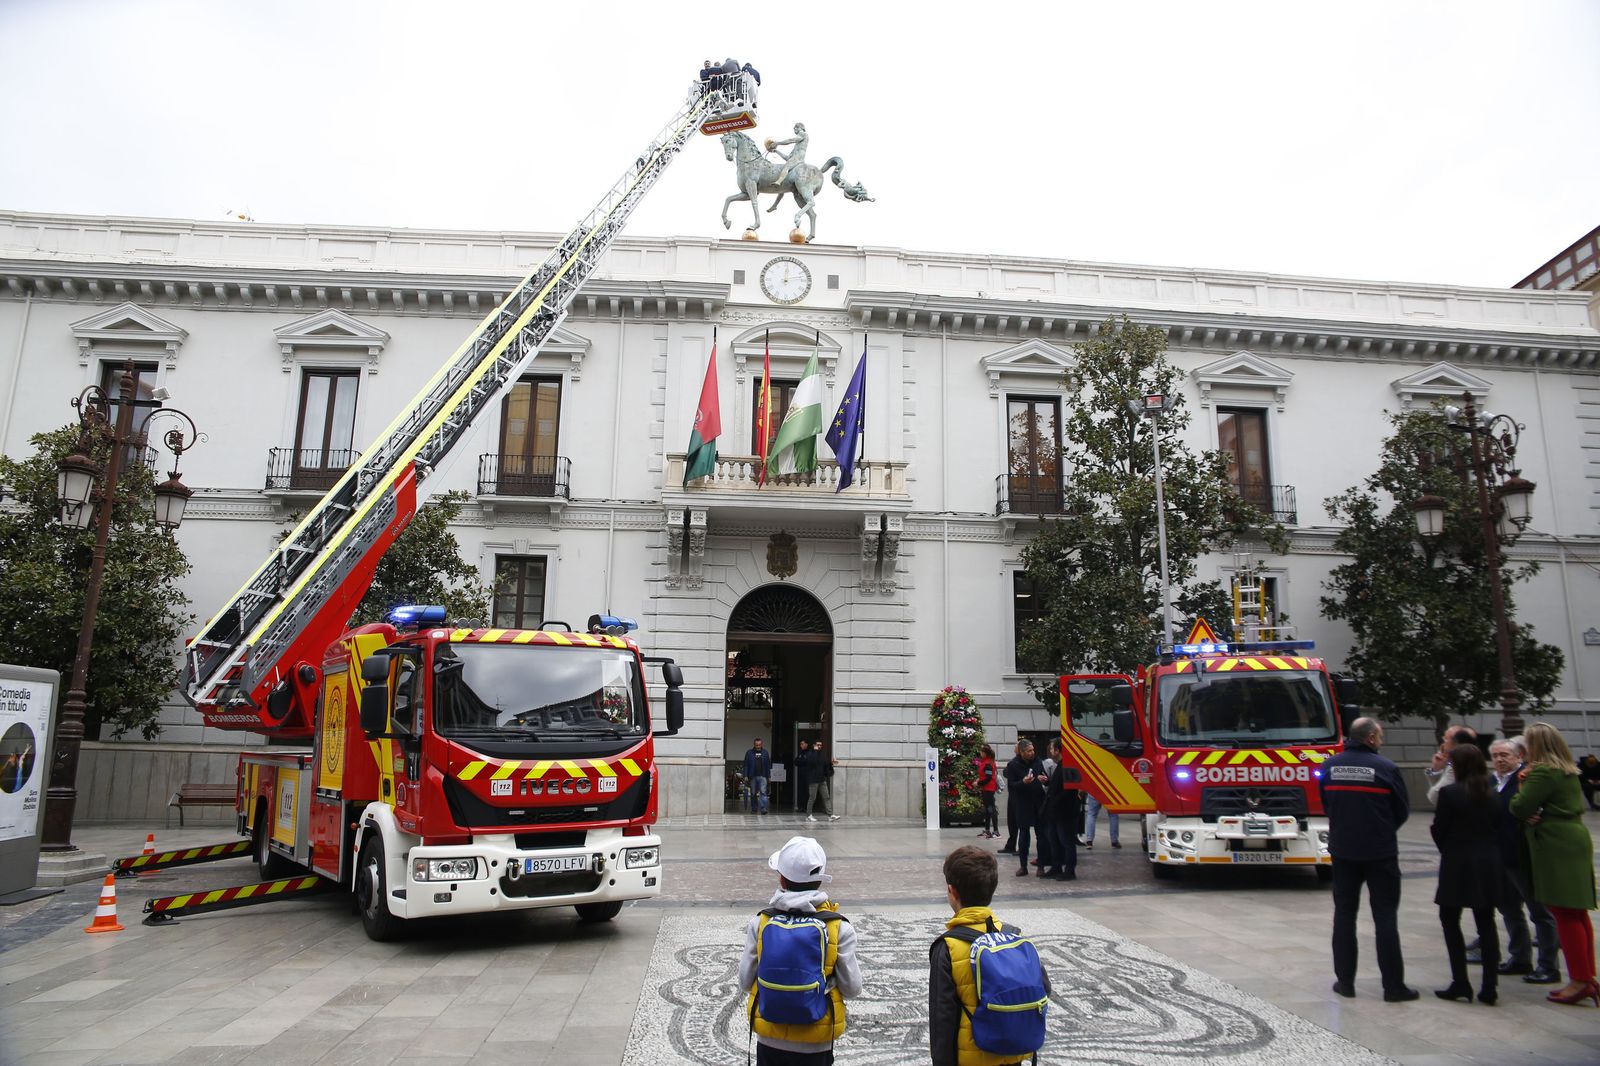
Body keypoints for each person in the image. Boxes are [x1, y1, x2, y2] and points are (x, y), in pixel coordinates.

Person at [738, 836, 863, 1064]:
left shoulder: (761, 923)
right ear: (820, 880)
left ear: (782, 879)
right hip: (817, 1039)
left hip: (770, 1036)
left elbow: (745, 981)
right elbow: (852, 988)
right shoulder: (839, 928)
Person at [1319, 717, 1418, 1002]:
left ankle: (1345, 982)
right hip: (1380, 852)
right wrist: (1380, 829)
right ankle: (1393, 986)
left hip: (1343, 851)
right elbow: (1401, 810)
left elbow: (1327, 803)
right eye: (1381, 736)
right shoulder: (1386, 768)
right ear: (1372, 738)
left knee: (1344, 914)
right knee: (1385, 916)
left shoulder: (1330, 766)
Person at [929, 846, 1052, 1066]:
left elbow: (943, 1019)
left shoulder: (948, 947)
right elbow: (1044, 988)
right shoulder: (1014, 936)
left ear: (952, 891)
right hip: (1014, 1054)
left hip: (971, 1058)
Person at [1510, 722, 1599, 1007]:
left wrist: (1522, 786)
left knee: (1563, 912)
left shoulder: (1543, 771)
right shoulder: (1568, 770)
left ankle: (1579, 982)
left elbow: (1520, 807)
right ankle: (1586, 976)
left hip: (1555, 842)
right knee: (1577, 911)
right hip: (1573, 837)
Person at [1431, 743, 1502, 1004]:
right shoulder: (1493, 794)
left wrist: (1449, 848)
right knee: (1486, 921)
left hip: (1457, 862)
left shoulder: (1451, 793)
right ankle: (1490, 985)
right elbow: (1499, 828)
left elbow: (1439, 829)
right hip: (1488, 863)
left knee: (1450, 919)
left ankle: (1460, 981)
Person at [1490, 738, 1562, 984]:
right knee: (1509, 909)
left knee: (1539, 912)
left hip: (1525, 856)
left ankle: (1548, 965)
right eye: (1496, 755)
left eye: (1505, 755)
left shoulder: (1528, 779)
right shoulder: (1492, 782)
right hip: (1501, 857)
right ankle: (1520, 957)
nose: (1500, 759)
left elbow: (1540, 806)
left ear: (1518, 757)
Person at [1040, 738, 1079, 881]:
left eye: (1052, 749)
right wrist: (1049, 782)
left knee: (1066, 842)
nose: (1050, 751)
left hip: (1064, 812)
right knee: (1054, 840)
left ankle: (1069, 870)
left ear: (1057, 750)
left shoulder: (1067, 766)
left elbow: (1069, 791)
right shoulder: (1060, 765)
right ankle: (1056, 867)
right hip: (1055, 812)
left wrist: (1054, 802)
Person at [1009, 741, 1047, 878]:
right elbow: (1012, 786)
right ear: (1022, 752)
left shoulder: (1038, 762)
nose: (1032, 753)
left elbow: (1044, 777)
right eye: (1029, 751)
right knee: (1024, 834)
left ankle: (1041, 865)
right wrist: (1022, 782)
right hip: (1023, 804)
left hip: (1038, 802)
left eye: (1033, 750)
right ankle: (1023, 866)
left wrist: (1045, 780)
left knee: (1041, 835)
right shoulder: (1013, 765)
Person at [1426, 725, 1479, 804]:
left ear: (1455, 742)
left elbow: (1435, 796)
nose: (1443, 742)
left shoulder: (1457, 765)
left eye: (1446, 738)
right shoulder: (1450, 762)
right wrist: (1436, 769)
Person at [999, 741, 1026, 854]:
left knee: (1020, 823)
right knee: (1012, 821)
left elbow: (1008, 773)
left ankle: (1021, 846)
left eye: (1016, 746)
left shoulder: (1021, 762)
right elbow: (1006, 772)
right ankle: (1011, 844)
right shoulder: (1014, 761)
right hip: (1013, 795)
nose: (1014, 747)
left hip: (1020, 796)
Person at [806, 741, 840, 822]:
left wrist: (831, 764)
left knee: (826, 797)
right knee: (812, 797)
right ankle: (808, 815)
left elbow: (825, 765)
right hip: (813, 780)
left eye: (821, 745)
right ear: (814, 745)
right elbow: (812, 762)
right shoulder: (810, 753)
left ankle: (830, 815)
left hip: (822, 779)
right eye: (818, 745)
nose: (819, 746)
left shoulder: (822, 754)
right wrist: (814, 751)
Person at [770, 122, 809, 189]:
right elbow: (787, 158)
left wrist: (778, 143)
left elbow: (790, 140)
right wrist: (777, 151)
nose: (795, 130)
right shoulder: (796, 147)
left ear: (800, 128)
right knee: (787, 166)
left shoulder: (803, 134)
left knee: (786, 167)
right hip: (797, 156)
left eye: (796, 128)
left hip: (799, 157)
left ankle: (779, 181)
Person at [975, 744, 1000, 840]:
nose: (980, 753)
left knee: (991, 809)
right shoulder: (986, 762)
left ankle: (996, 831)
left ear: (985, 753)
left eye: (981, 752)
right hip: (985, 789)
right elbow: (985, 775)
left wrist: (978, 783)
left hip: (989, 789)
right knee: (988, 809)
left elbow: (989, 778)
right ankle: (987, 830)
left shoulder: (988, 764)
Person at [744, 737, 772, 815]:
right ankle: (754, 809)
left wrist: (769, 776)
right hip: (752, 776)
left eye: (759, 745)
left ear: (761, 744)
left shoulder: (765, 753)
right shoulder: (749, 753)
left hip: (763, 776)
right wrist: (745, 775)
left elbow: (768, 765)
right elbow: (746, 765)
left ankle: (763, 809)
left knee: (763, 792)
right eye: (756, 745)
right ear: (754, 744)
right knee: (753, 793)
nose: (758, 746)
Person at [796, 739, 811, 813]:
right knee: (801, 791)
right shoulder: (800, 753)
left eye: (802, 744)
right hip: (801, 776)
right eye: (800, 744)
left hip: (808, 775)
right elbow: (796, 762)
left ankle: (806, 807)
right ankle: (801, 807)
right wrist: (801, 761)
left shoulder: (810, 752)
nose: (801, 745)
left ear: (806, 744)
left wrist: (801, 761)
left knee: (807, 792)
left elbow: (807, 761)